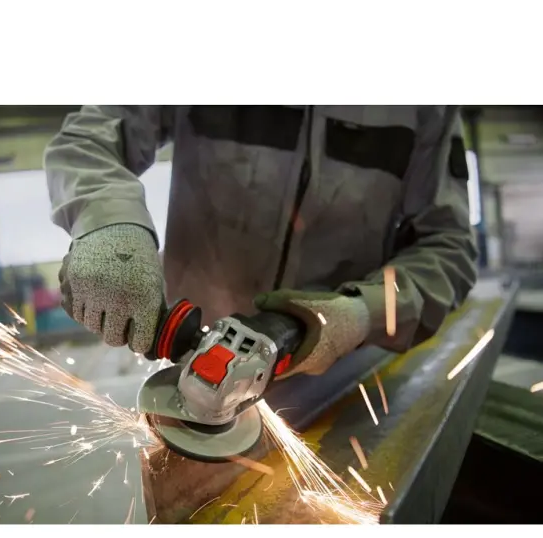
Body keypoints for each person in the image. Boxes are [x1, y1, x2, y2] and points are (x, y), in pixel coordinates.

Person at [44, 106, 477, 378]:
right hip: (190, 362)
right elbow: (87, 141)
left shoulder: (426, 105)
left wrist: (362, 314)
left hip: (335, 370)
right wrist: (109, 224)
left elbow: (448, 246)